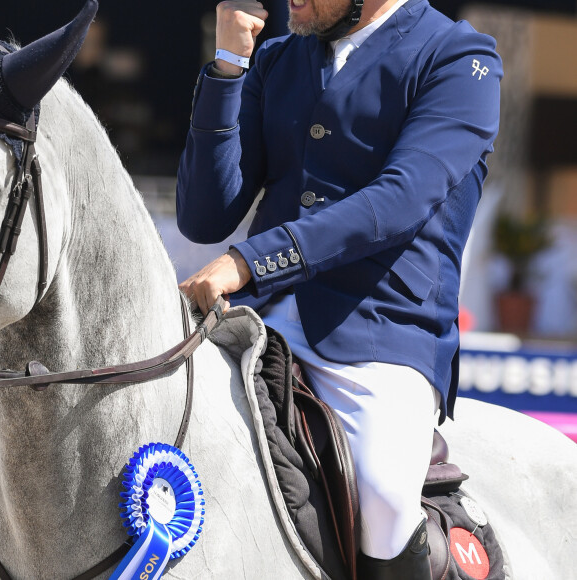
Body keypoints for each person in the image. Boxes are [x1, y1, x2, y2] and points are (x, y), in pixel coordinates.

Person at [176, 0, 502, 577]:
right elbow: (205, 217)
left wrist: (251, 262)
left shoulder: (458, 58)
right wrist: (229, 66)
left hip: (379, 332)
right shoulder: (277, 60)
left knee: (380, 493)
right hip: (255, 316)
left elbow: (398, 201)